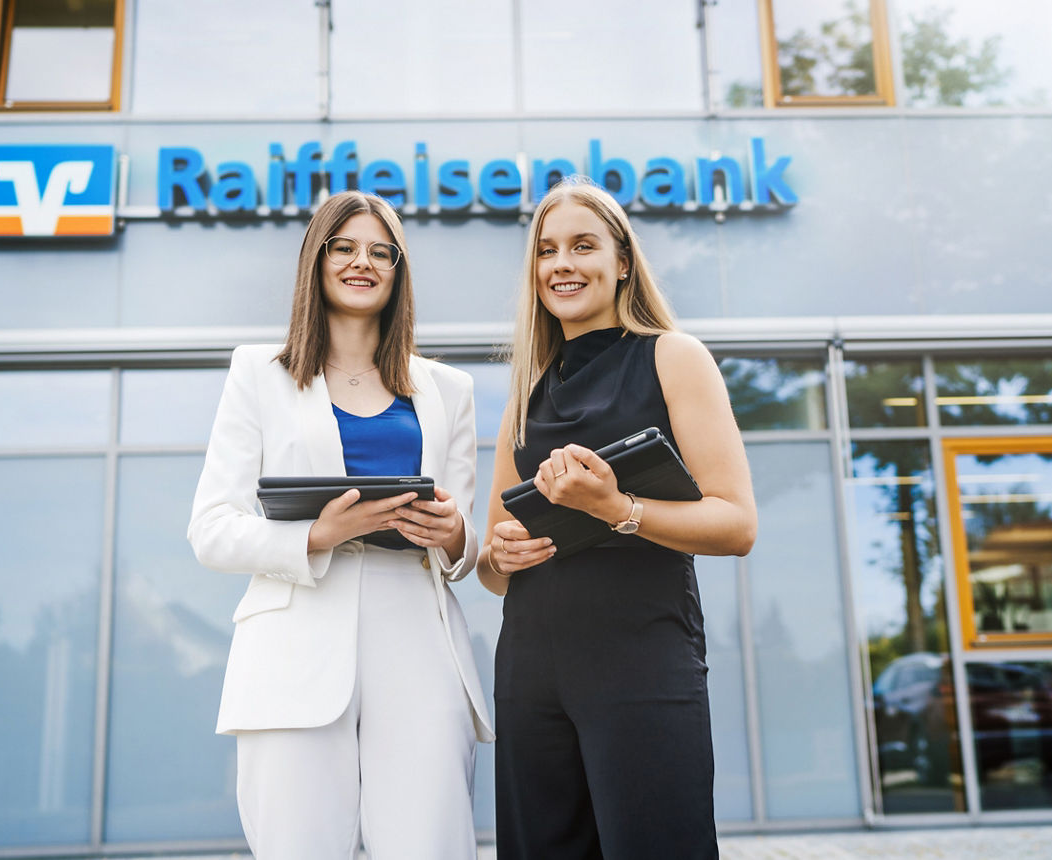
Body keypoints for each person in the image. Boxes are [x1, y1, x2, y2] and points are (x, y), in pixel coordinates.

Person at [187, 190, 492, 859]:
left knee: (430, 843)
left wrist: (453, 534)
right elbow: (211, 527)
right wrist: (316, 536)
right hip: (293, 643)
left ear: (398, 272)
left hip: (418, 640)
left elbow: (463, 541)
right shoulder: (258, 374)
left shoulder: (449, 390)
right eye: (345, 248)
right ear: (316, 260)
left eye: (382, 252)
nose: (363, 263)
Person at [478, 177, 757, 859]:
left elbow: (736, 523)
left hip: (641, 659)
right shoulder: (524, 394)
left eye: (583, 246)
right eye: (547, 251)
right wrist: (501, 556)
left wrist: (617, 509)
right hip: (531, 669)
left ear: (623, 260)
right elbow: (491, 566)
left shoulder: (673, 357)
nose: (562, 264)